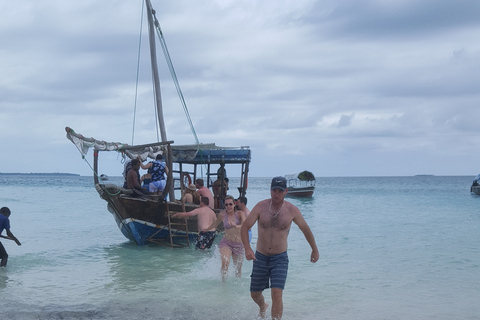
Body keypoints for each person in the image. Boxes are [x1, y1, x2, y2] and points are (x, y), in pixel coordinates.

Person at [241, 177, 319, 320]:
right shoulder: (260, 207)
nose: (276, 194)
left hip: (280, 258)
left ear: (286, 191)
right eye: (274, 190)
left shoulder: (292, 210)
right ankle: (263, 305)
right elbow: (245, 227)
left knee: (277, 293)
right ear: (270, 190)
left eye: (280, 191)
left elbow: (305, 229)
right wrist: (247, 248)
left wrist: (314, 249)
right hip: (260, 256)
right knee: (254, 294)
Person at [204, 195, 246, 281]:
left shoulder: (240, 214)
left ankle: (237, 288)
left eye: (230, 204)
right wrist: (207, 229)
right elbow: (215, 224)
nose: (228, 206)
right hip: (226, 242)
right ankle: (223, 284)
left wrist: (236, 226)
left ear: (235, 204)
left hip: (238, 244)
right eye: (226, 205)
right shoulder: (222, 215)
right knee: (225, 262)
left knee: (238, 270)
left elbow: (245, 225)